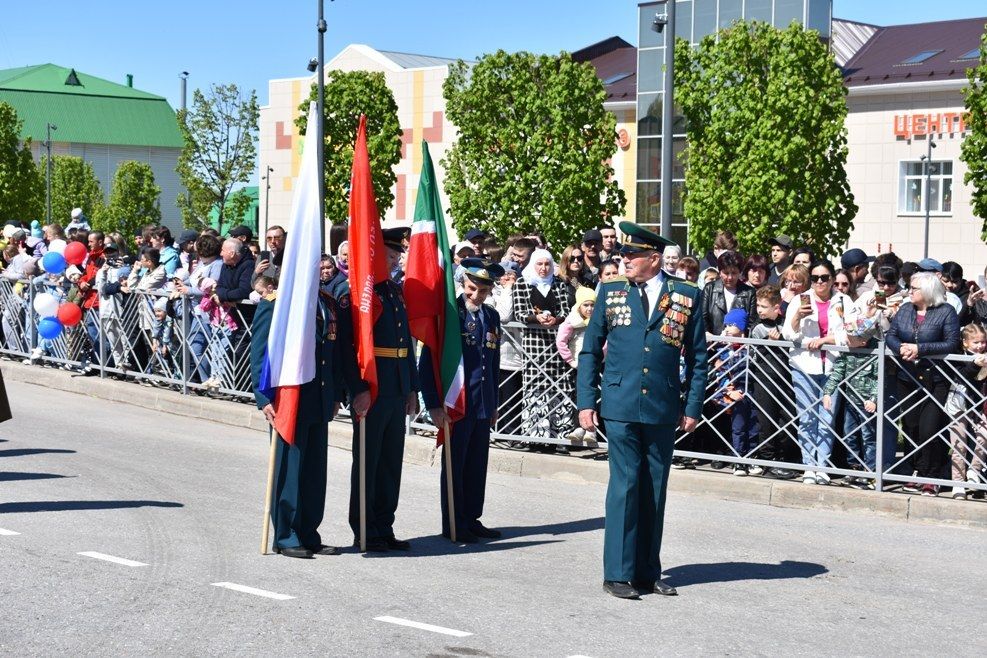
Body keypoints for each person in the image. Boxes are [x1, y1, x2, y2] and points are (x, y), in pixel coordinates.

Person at [577, 221, 708, 600]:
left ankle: (648, 572)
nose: (624, 261)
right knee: (626, 485)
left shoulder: (686, 295)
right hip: (619, 403)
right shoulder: (611, 290)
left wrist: (693, 405)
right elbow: (590, 349)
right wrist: (587, 402)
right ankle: (617, 572)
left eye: (630, 255)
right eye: (622, 255)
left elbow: (698, 357)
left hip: (663, 404)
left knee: (655, 487)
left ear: (654, 259)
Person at [249, 261, 355, 559]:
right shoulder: (277, 305)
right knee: (290, 467)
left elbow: (332, 354)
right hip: (289, 399)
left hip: (319, 397)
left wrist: (336, 393)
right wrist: (263, 396)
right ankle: (285, 535)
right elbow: (260, 354)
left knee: (313, 471)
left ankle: (309, 532)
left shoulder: (328, 303)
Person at [344, 228, 421, 553]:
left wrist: (411, 389)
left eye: (396, 257)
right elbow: (353, 348)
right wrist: (358, 389)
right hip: (373, 389)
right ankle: (364, 529)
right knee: (368, 462)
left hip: (396, 387)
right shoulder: (363, 294)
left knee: (390, 463)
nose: (395, 261)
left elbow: (406, 344)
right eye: (390, 256)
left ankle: (384, 526)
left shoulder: (393, 291)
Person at [421, 258, 504, 543]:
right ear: (462, 284)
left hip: (482, 403)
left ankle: (471, 517)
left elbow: (493, 362)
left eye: (482, 291)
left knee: (476, 464)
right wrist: (433, 404)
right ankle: (454, 523)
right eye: (471, 288)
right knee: (455, 465)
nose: (475, 295)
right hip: (456, 404)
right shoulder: (449, 315)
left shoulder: (491, 317)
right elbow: (428, 361)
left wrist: (493, 405)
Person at [782, 258, 858, 485]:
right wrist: (797, 316)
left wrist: (826, 339)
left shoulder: (843, 301)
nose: (819, 282)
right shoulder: (799, 300)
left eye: (824, 278)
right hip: (804, 365)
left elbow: (853, 333)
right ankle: (808, 466)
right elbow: (789, 335)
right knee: (807, 417)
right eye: (815, 278)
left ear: (833, 279)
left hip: (833, 366)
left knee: (827, 417)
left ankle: (822, 466)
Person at [885, 272, 960, 496]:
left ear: (927, 291)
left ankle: (932, 475)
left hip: (935, 378)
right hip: (907, 377)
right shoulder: (906, 309)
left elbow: (951, 342)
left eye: (914, 288)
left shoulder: (945, 311)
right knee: (911, 426)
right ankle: (917, 471)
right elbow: (892, 335)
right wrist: (902, 348)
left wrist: (920, 349)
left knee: (930, 429)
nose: (909, 292)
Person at [512, 248, 573, 445]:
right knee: (536, 387)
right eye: (539, 264)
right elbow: (520, 311)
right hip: (534, 342)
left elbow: (566, 309)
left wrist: (556, 319)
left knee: (559, 387)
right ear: (533, 264)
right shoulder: (523, 283)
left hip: (557, 343)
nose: (544, 268)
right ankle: (536, 436)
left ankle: (559, 437)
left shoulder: (559, 285)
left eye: (547, 264)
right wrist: (535, 318)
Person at [749, 285, 797, 478]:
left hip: (785, 377)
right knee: (766, 419)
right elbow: (752, 354)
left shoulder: (785, 324)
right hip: (764, 378)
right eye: (758, 306)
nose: (759, 310)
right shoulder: (757, 327)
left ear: (776, 307)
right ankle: (767, 460)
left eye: (764, 306)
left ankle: (785, 458)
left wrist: (781, 341)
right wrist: (767, 344)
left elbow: (791, 348)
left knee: (787, 417)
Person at [947, 323, 987, 500]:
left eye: (983, 342)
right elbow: (960, 374)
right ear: (965, 343)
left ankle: (974, 470)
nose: (980, 346)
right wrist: (975, 365)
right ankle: (958, 483)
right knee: (958, 443)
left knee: (984, 435)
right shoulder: (958, 355)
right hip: (959, 402)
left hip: (980, 403)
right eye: (976, 343)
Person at [557, 285, 597, 442]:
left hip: (596, 364)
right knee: (578, 394)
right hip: (578, 365)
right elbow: (561, 340)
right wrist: (570, 360)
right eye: (586, 305)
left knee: (596, 395)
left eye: (592, 305)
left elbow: (606, 342)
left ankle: (592, 429)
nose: (589, 309)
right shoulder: (572, 320)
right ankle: (578, 427)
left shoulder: (598, 320)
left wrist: (601, 357)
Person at [702, 251, 756, 336]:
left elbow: (752, 323)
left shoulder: (749, 292)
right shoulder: (709, 289)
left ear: (740, 273)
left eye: (734, 273)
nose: (730, 277)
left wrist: (741, 332)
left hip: (739, 346)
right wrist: (707, 333)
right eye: (726, 273)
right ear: (720, 272)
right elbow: (702, 317)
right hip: (712, 345)